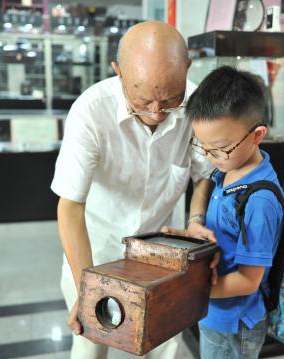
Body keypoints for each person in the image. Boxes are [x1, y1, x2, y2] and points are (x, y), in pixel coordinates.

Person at [50, 21, 215, 359]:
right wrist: (87, 286)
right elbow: (70, 207)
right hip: (96, 251)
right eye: (143, 99)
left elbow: (203, 176)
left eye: (170, 99)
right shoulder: (90, 112)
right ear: (118, 72)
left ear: (187, 68)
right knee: (90, 345)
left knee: (167, 344)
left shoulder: (198, 104)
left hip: (162, 255)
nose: (157, 112)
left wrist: (196, 219)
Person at [183, 66, 284, 359]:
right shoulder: (228, 169)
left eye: (220, 148)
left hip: (233, 323)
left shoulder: (259, 200)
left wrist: (190, 292)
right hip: (214, 310)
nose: (212, 157)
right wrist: (196, 223)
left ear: (257, 135)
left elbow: (248, 280)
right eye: (204, 148)